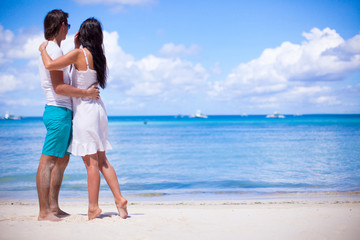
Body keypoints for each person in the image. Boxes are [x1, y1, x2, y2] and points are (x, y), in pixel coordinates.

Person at [39, 17, 128, 220]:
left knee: (91, 163)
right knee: (102, 159)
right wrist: (76, 45)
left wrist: (43, 49)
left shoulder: (79, 54)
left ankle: (93, 207)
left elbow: (51, 65)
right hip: (98, 110)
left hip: (85, 112)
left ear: (83, 34)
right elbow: (81, 73)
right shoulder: (98, 56)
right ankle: (119, 199)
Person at [37, 10, 100, 222]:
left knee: (62, 160)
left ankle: (53, 207)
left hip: (64, 111)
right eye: (69, 25)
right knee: (48, 161)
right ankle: (44, 211)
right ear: (63, 25)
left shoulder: (56, 49)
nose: (69, 29)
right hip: (58, 109)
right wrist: (87, 93)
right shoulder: (52, 50)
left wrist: (74, 49)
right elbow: (60, 87)